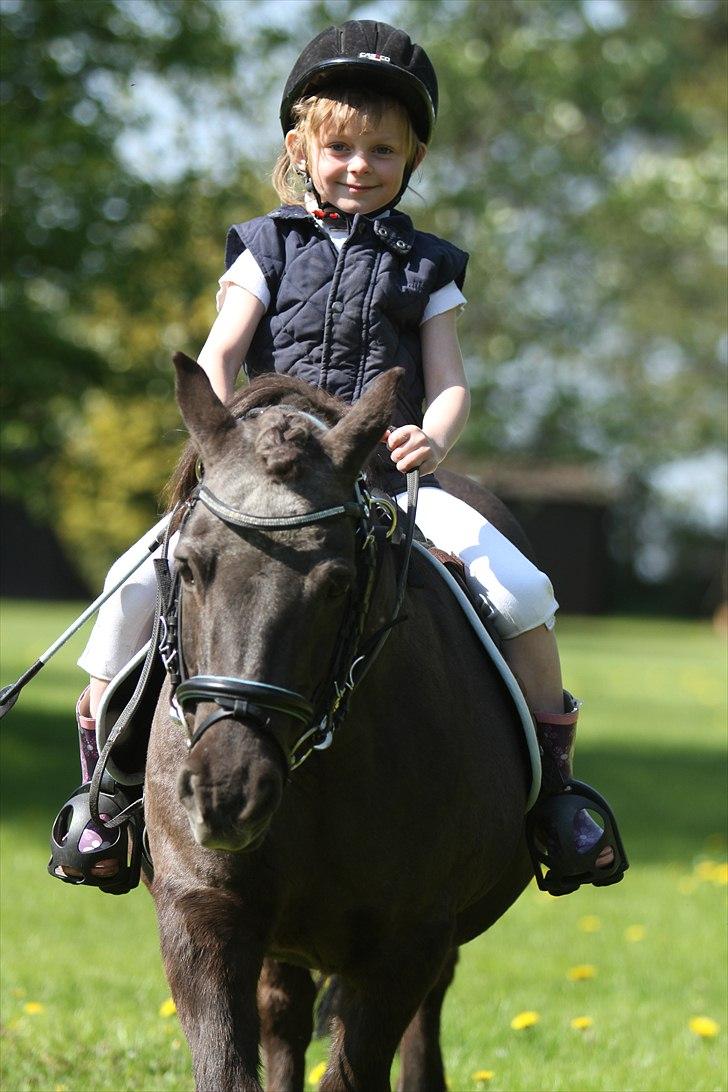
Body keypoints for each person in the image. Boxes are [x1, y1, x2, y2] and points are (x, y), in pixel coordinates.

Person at [49, 20, 625, 896]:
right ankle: (108, 795)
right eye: (342, 147)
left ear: (413, 159)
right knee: (132, 588)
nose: (360, 165)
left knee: (522, 593)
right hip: (260, 478)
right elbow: (218, 356)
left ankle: (557, 797)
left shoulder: (428, 267)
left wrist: (434, 433)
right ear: (301, 149)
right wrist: (223, 435)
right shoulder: (263, 247)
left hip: (384, 481)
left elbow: (451, 382)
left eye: (383, 151)